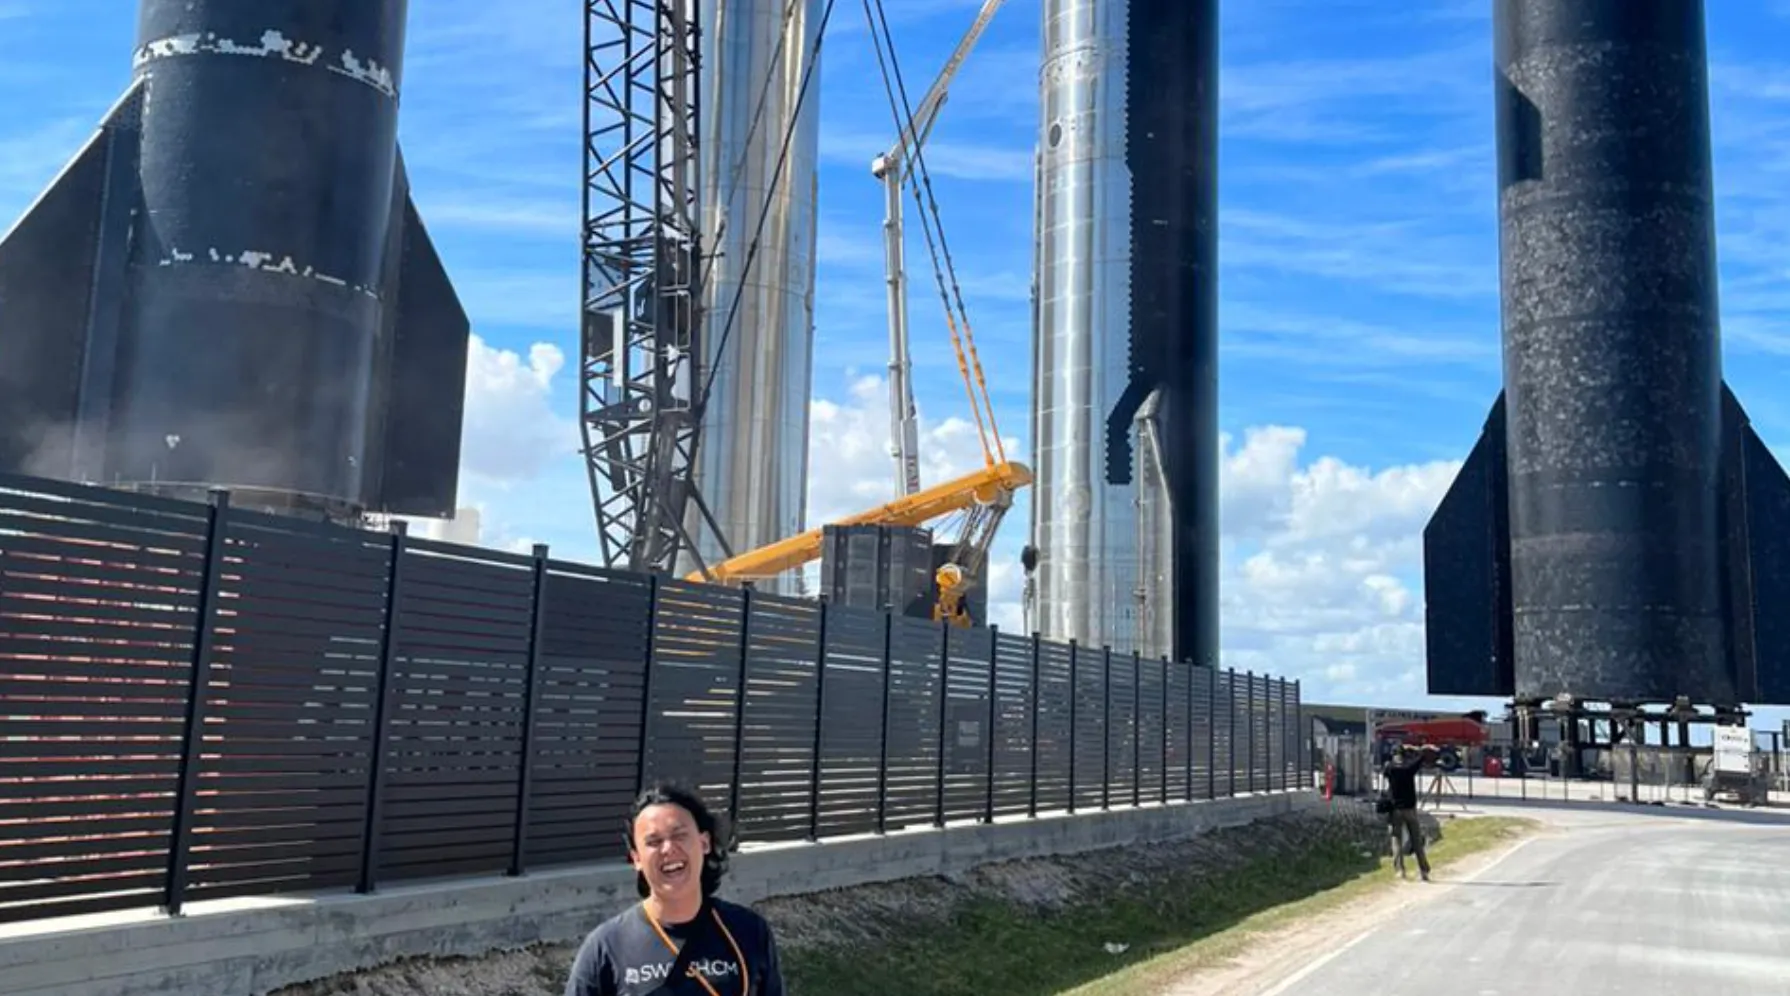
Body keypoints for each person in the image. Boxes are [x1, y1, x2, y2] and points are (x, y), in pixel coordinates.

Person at [565, 783, 786, 996]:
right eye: (653, 841)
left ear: (704, 843)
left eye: (679, 835)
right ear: (637, 859)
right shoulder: (607, 946)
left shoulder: (749, 931)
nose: (668, 849)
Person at [1380, 744, 1432, 882]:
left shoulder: (1389, 768)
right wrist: (1415, 750)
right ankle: (1424, 871)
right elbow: (1421, 758)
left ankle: (1400, 871)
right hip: (1410, 809)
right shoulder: (1409, 768)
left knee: (1396, 839)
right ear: (1404, 755)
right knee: (1416, 841)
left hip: (1395, 809)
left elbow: (1385, 770)